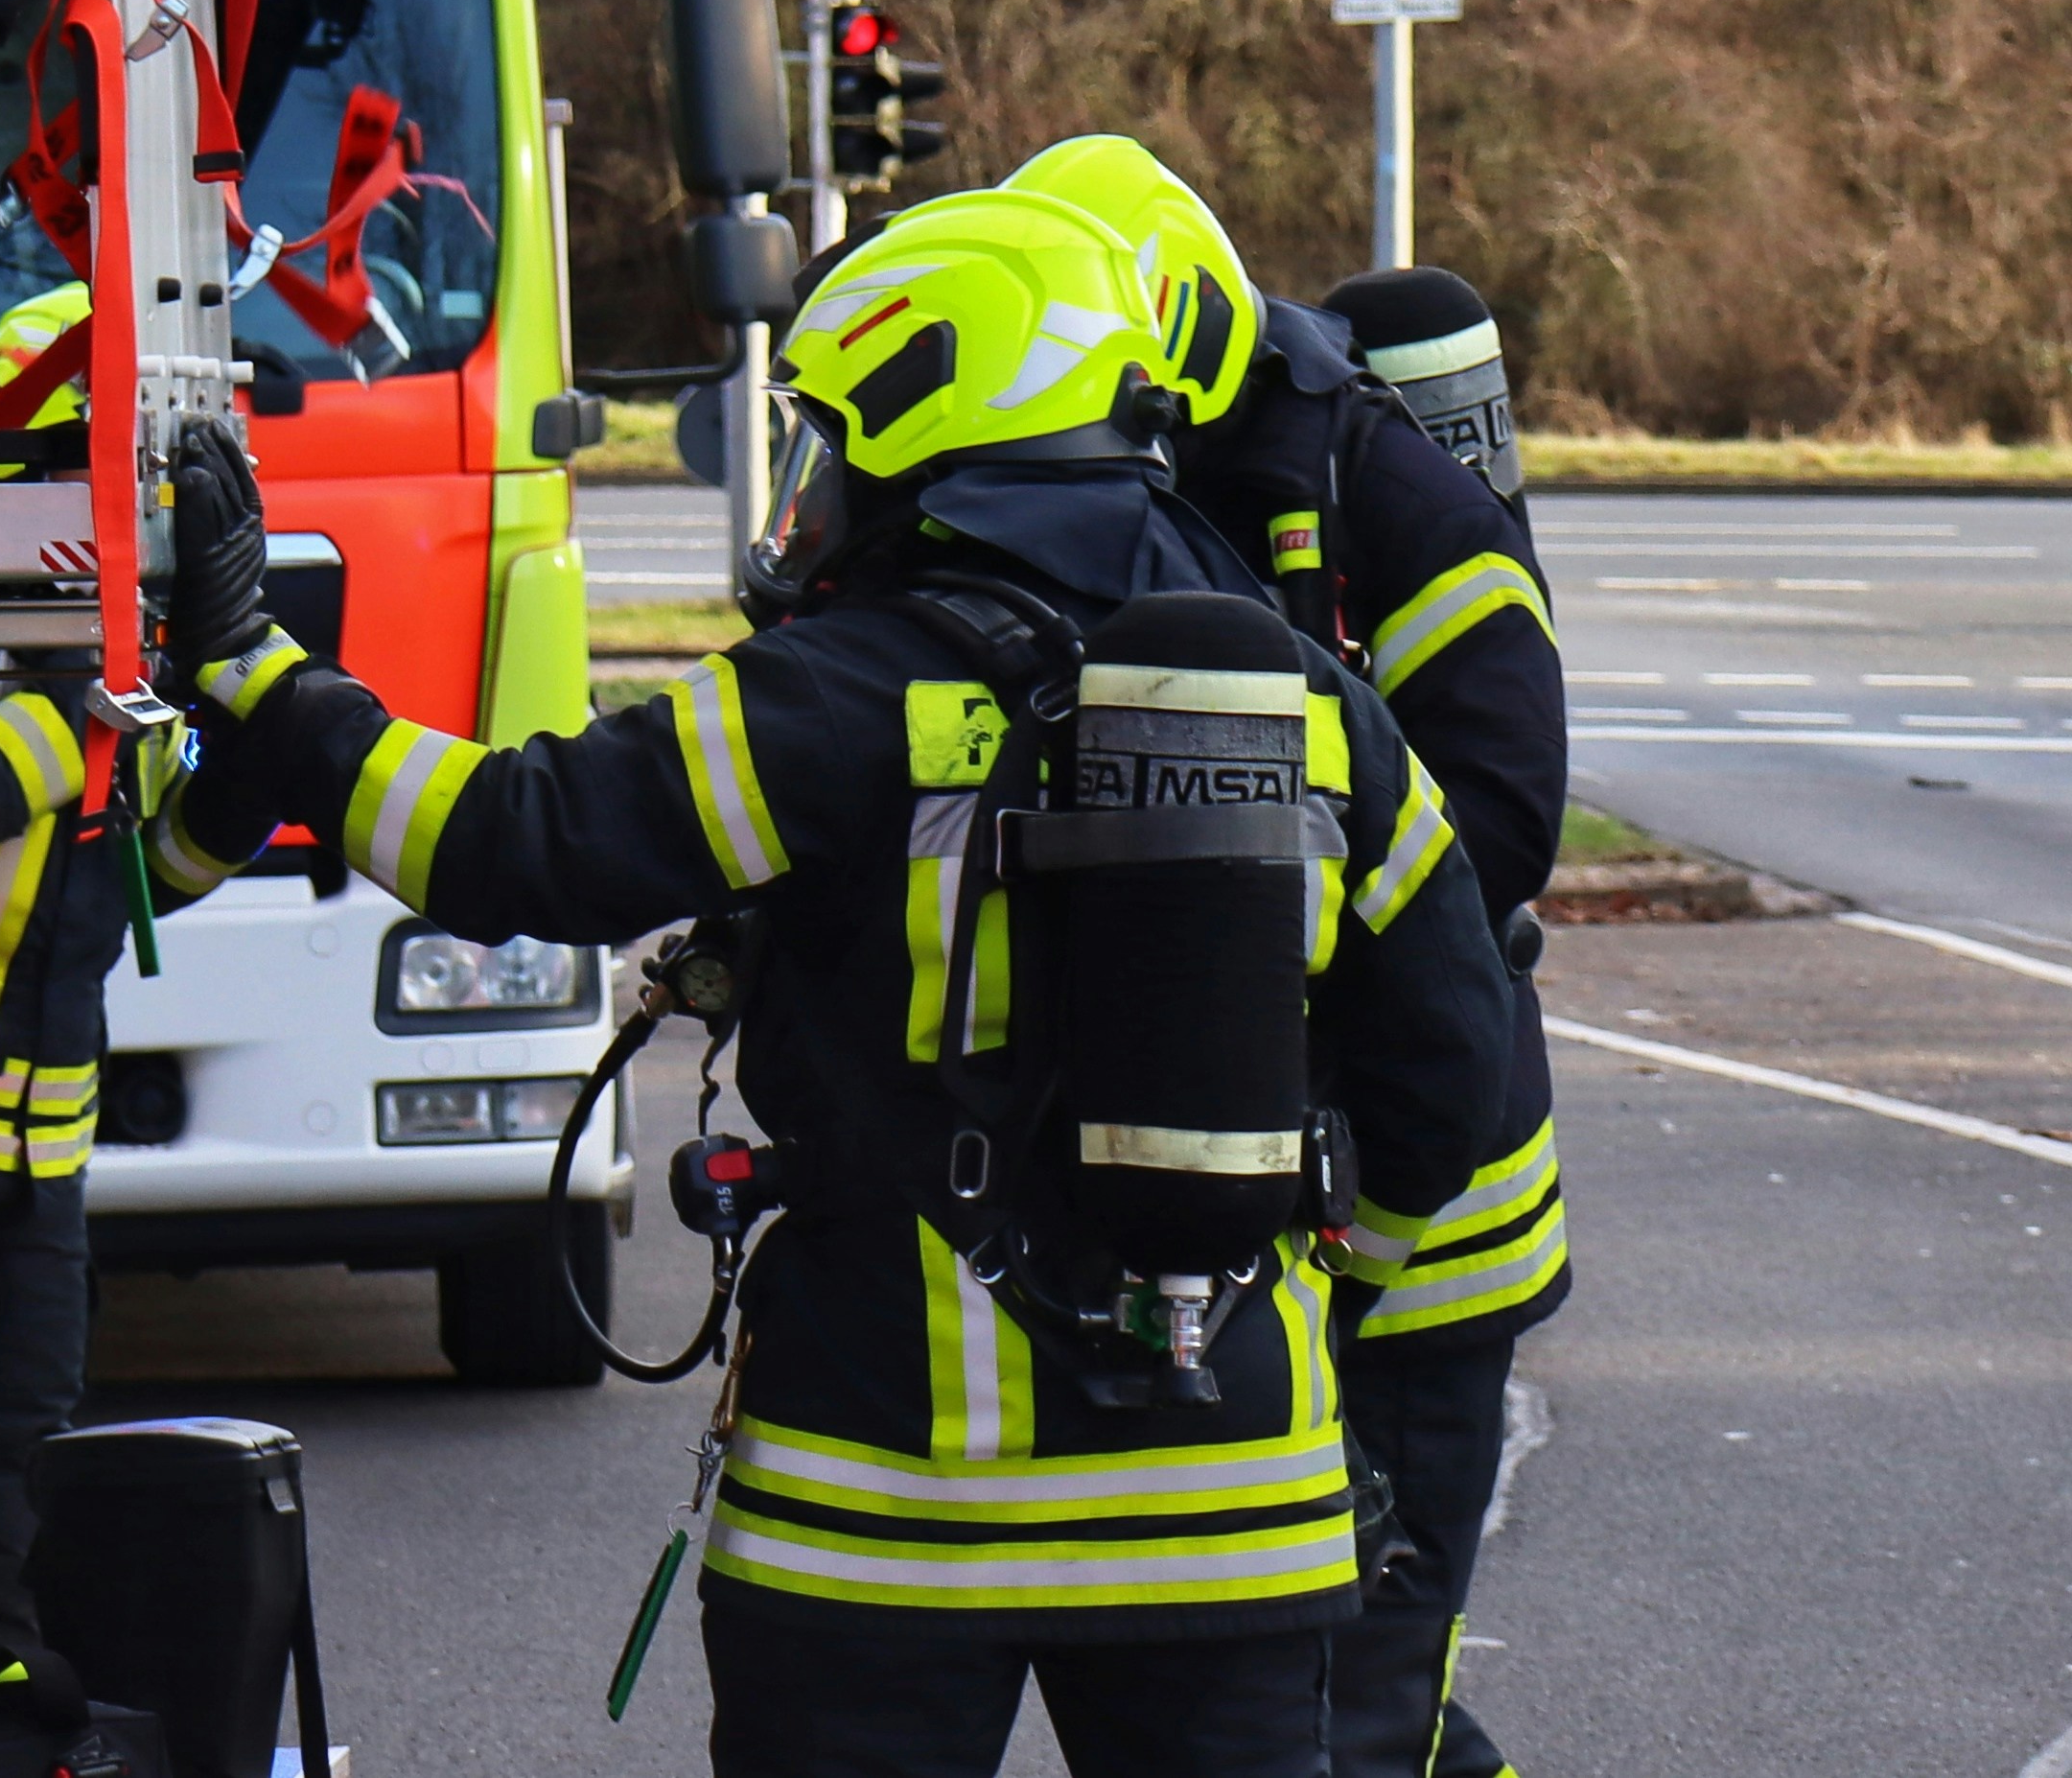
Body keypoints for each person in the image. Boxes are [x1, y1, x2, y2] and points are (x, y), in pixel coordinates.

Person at [165, 188, 1520, 1777]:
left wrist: (263, 675)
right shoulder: (1310, 705)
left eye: (829, 431)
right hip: (1233, 1509)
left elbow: (512, 844)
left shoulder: (834, 694)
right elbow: (1452, 1068)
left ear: (930, 406)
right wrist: (1312, 1287)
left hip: (881, 1510)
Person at [1005, 141, 1567, 1778]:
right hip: (1230, 1190)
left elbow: (1499, 824)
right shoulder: (1121, 479)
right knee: (1285, 1694)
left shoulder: (1388, 500)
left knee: (1359, 1699)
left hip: (1417, 1215)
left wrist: (1254, 930)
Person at [0, 291, 224, 1640]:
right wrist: (72, 710)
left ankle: (9, 1709)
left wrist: (241, 775)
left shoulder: (117, 676)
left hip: (35, 1174)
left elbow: (151, 885)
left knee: (16, 1485)